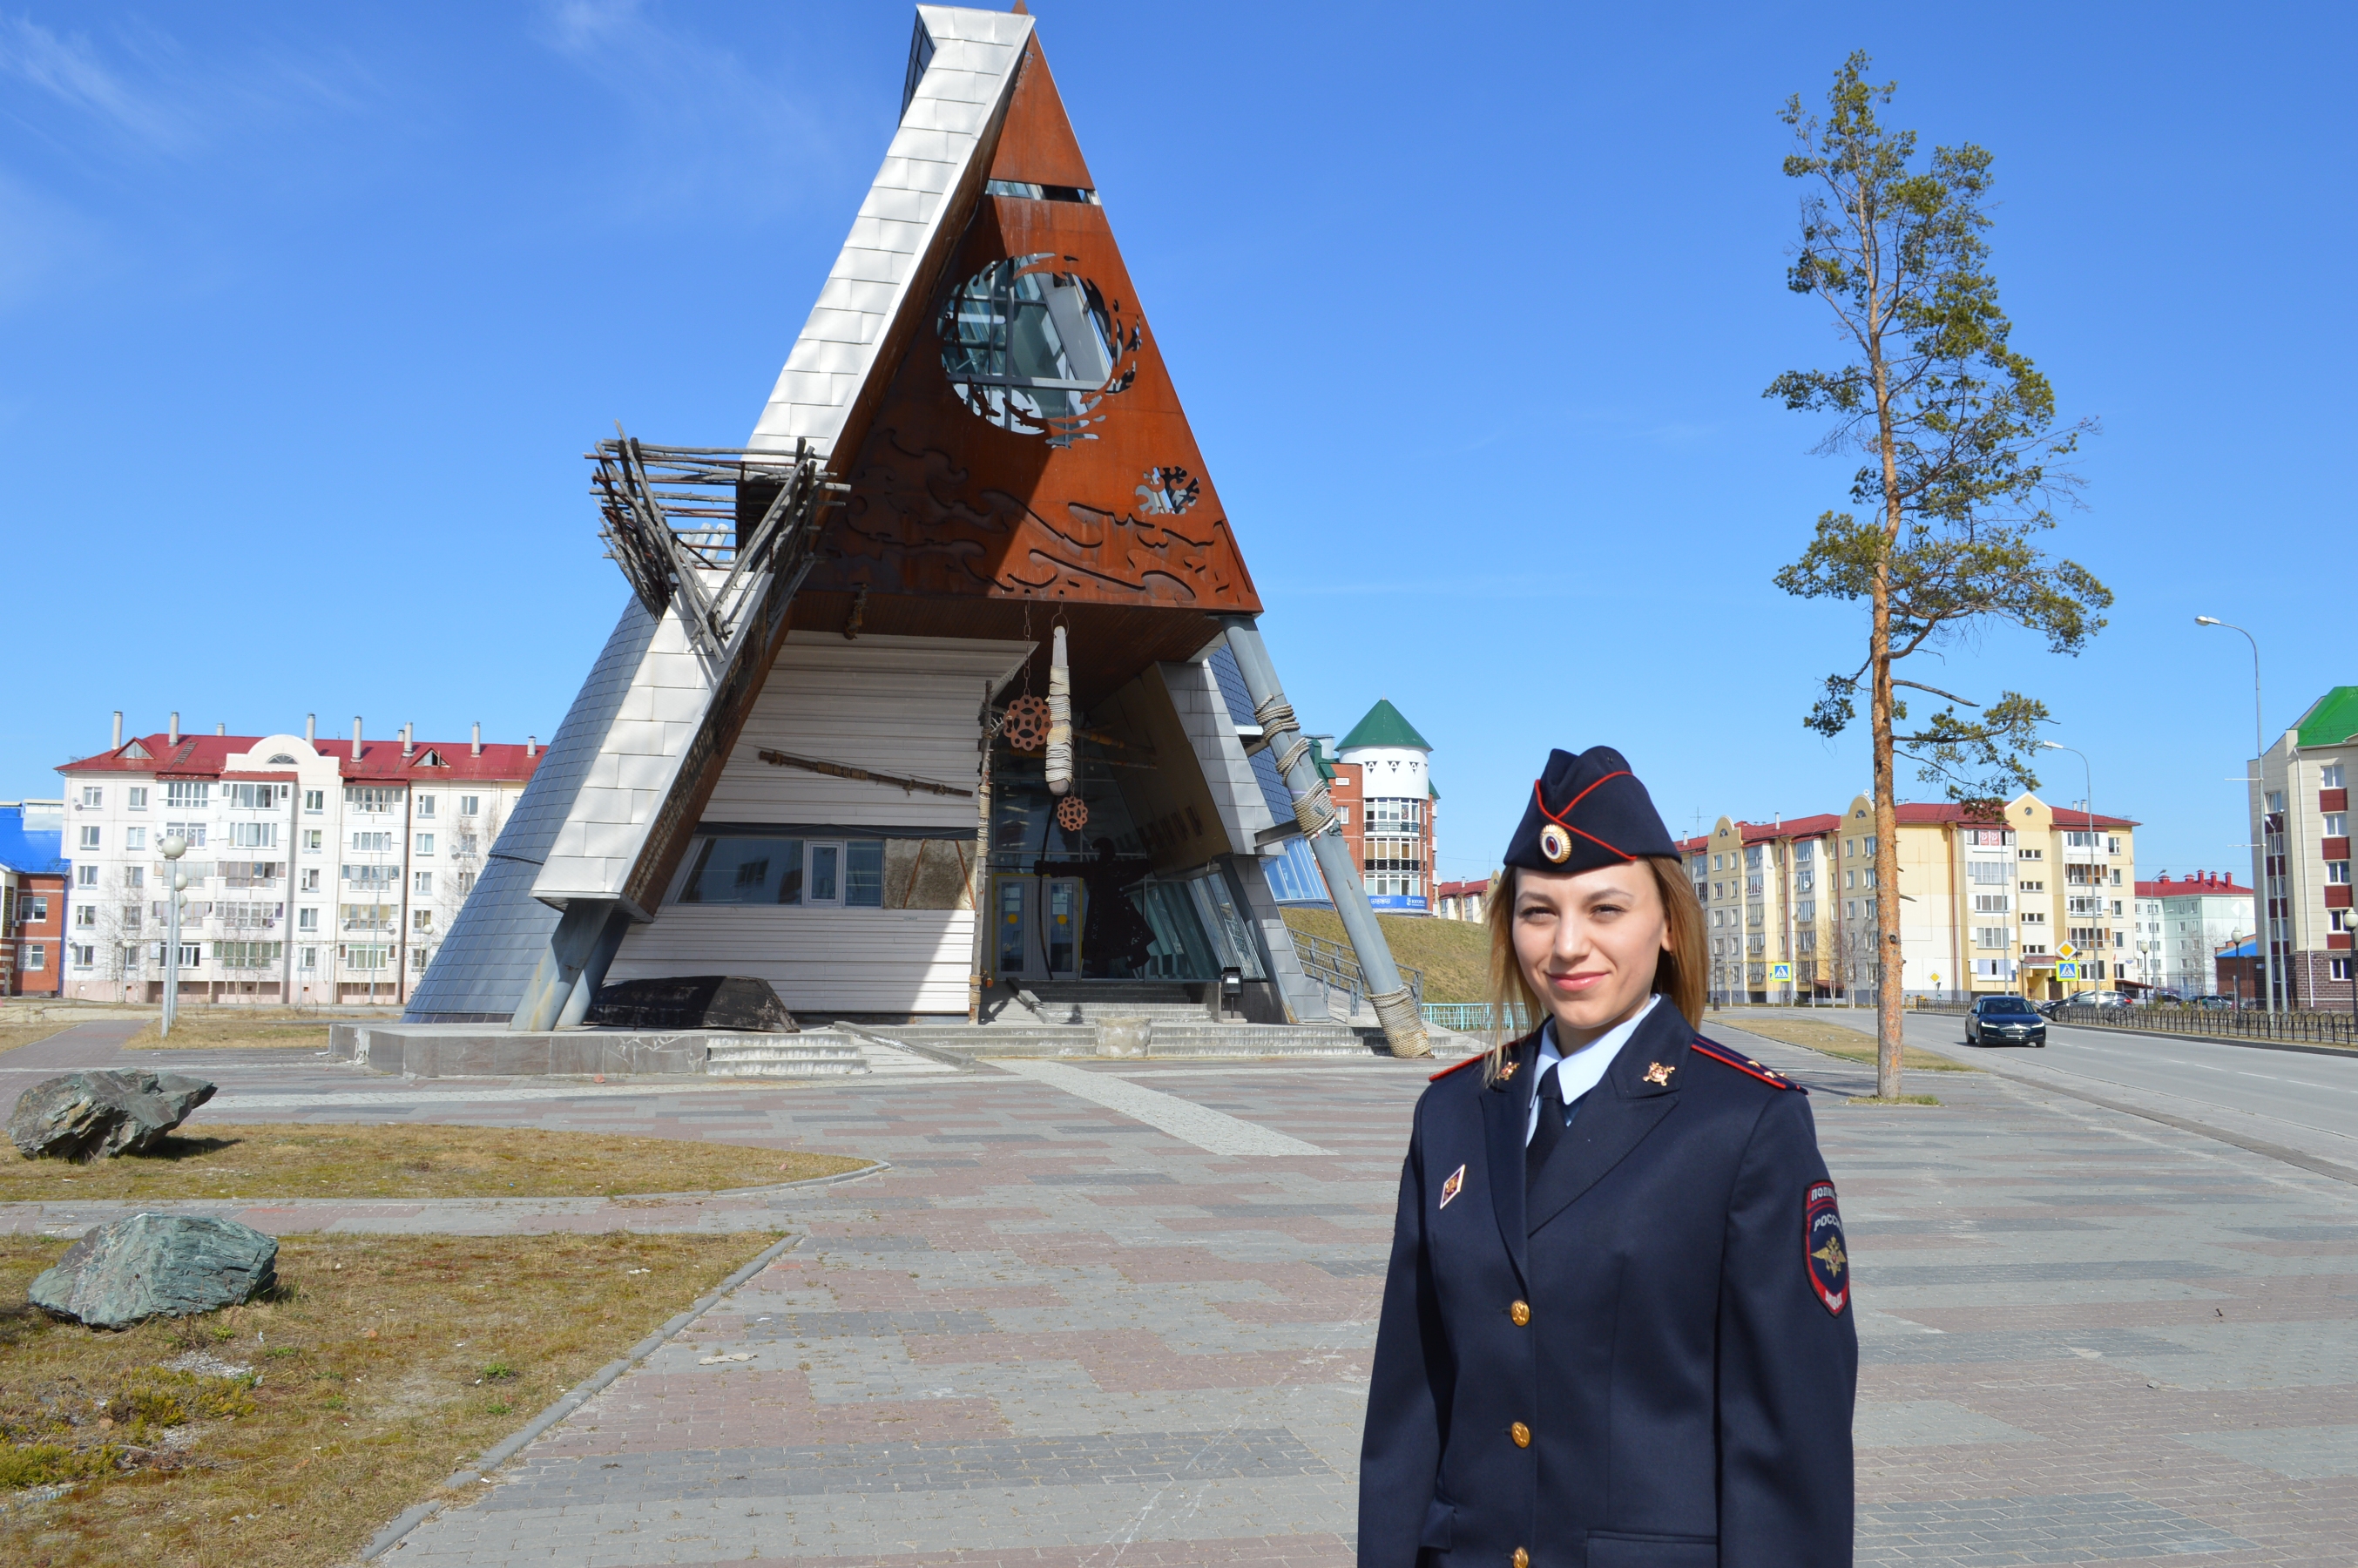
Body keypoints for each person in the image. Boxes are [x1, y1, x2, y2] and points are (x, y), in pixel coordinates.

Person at [1359, 746, 1857, 1568]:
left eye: (1604, 910)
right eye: (1537, 912)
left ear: (1665, 925)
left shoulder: (1743, 1123)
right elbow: (1409, 1404)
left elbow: (1789, 1439)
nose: (1566, 945)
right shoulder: (1451, 1111)